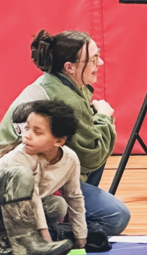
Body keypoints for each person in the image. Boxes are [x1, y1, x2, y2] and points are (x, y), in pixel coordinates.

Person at [0, 30, 130, 236]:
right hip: (18, 182)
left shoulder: (56, 82)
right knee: (116, 217)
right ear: (69, 67)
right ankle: (48, 230)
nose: (101, 63)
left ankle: (54, 221)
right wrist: (105, 117)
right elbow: (92, 156)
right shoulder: (65, 98)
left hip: (38, 170)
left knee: (97, 139)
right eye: (94, 59)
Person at [0, 101, 83, 255]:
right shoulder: (21, 156)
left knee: (57, 205)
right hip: (5, 207)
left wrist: (81, 237)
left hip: (18, 213)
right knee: (22, 175)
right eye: (27, 128)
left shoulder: (70, 159)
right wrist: (46, 246)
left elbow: (74, 197)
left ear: (59, 141)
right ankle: (27, 248)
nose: (27, 135)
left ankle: (8, 243)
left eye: (37, 132)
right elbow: (34, 200)